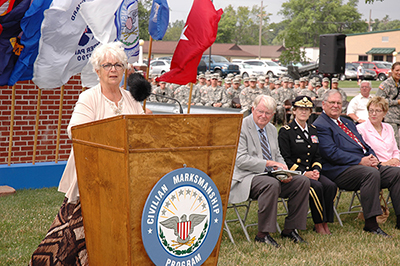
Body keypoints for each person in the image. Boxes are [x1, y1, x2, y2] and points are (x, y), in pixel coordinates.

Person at [29, 42, 145, 265]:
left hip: (125, 178)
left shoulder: (132, 99)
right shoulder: (88, 98)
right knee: (74, 236)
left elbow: (141, 133)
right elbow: (74, 131)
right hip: (92, 177)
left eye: (118, 65)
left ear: (124, 69)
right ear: (97, 70)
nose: (113, 70)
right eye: (107, 65)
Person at [313, 90, 400, 237]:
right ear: (323, 104)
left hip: (362, 165)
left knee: (396, 173)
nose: (335, 106)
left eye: (338, 103)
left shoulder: (346, 121)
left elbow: (363, 144)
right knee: (370, 173)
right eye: (332, 102)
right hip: (340, 170)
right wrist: (360, 161)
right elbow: (331, 153)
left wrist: (372, 157)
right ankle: (371, 224)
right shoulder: (321, 125)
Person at [229, 95, 310, 248]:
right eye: (260, 111)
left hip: (270, 175)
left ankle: (290, 229)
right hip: (246, 177)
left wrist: (284, 172)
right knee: (271, 184)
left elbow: (277, 155)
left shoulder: (272, 129)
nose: (263, 116)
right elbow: (240, 160)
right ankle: (263, 234)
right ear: (253, 109)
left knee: (302, 182)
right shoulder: (240, 127)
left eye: (268, 113)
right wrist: (268, 163)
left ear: (273, 114)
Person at [278, 96, 337, 235]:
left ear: (311, 112)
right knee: (316, 188)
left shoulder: (313, 130)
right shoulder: (286, 131)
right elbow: (286, 159)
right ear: (294, 111)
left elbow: (317, 156)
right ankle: (318, 223)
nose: (303, 112)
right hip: (297, 174)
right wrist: (305, 173)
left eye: (306, 110)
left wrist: (316, 170)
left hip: (312, 172)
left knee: (330, 186)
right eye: (300, 109)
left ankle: (325, 222)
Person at [357, 96, 400, 166]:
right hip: (377, 167)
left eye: (377, 111)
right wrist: (383, 164)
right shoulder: (361, 129)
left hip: (394, 165)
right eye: (371, 110)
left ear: (385, 113)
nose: (373, 114)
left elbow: (395, 150)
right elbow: (363, 154)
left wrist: (396, 159)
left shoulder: (389, 127)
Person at [376, 62, 400, 148]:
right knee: (394, 143)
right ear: (392, 71)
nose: (399, 73)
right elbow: (379, 100)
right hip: (390, 119)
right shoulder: (386, 84)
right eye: (397, 70)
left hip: (399, 117)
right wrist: (396, 102)